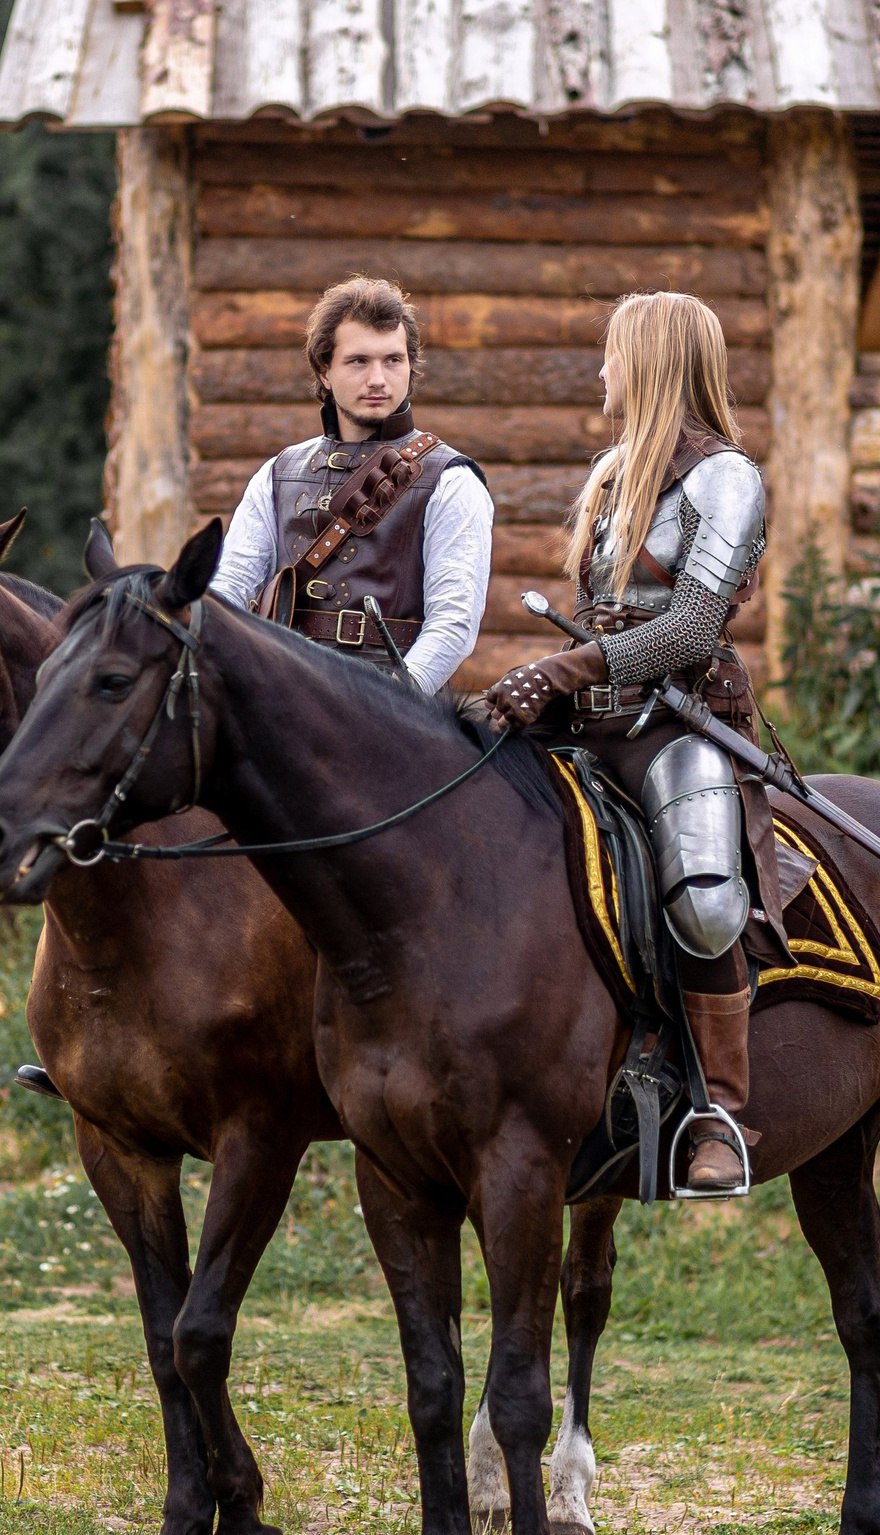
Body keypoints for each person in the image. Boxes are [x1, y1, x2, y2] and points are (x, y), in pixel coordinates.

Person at [482, 291, 790, 1195]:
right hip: (596, 723)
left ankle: (721, 1114)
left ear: (651, 363)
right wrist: (545, 683)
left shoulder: (725, 477)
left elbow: (693, 625)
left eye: (613, 357)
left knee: (700, 895)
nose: (602, 374)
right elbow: (607, 615)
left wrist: (569, 667)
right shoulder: (615, 472)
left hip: (684, 724)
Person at [211, 276, 493, 694]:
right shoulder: (278, 472)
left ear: (410, 366)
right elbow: (230, 590)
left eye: (393, 360)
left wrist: (392, 707)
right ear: (324, 371)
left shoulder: (451, 480)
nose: (378, 379)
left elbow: (453, 625)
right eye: (359, 361)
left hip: (387, 708)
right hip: (278, 693)